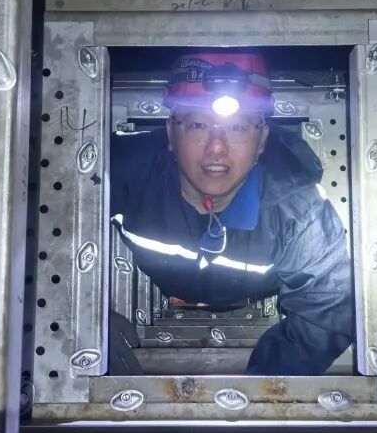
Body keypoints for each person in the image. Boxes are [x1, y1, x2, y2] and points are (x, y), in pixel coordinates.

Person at [109, 50, 355, 376]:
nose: (216, 148)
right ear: (170, 133)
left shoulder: (298, 211)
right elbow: (55, 228)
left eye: (238, 127)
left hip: (251, 295)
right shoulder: (122, 173)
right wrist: (91, 322)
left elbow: (326, 311)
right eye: (198, 125)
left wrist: (262, 390)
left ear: (262, 139)